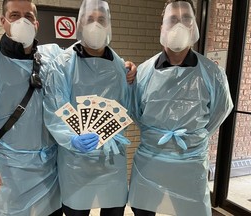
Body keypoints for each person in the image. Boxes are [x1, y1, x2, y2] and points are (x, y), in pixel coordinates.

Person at [128, 0, 233, 216]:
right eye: (172, 20)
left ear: (194, 26)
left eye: (186, 19)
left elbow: (220, 111)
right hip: (151, 161)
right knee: (143, 211)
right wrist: (156, 135)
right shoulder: (144, 72)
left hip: (191, 162)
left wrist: (195, 137)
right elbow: (135, 111)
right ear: (162, 28)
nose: (179, 25)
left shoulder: (213, 74)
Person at [0, 0, 63, 215]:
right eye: (15, 15)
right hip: (11, 170)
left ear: (36, 23)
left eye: (28, 16)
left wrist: (124, 66)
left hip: (50, 166)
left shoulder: (50, 58)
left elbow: (83, 60)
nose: (22, 21)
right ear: (3, 21)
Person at [43, 0, 135, 215]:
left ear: (109, 25)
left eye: (101, 19)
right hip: (76, 161)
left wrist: (131, 71)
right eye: (89, 19)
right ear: (79, 24)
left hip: (112, 159)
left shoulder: (119, 66)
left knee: (113, 208)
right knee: (77, 210)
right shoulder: (63, 64)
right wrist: (71, 139)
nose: (96, 24)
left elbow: (126, 107)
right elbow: (54, 109)